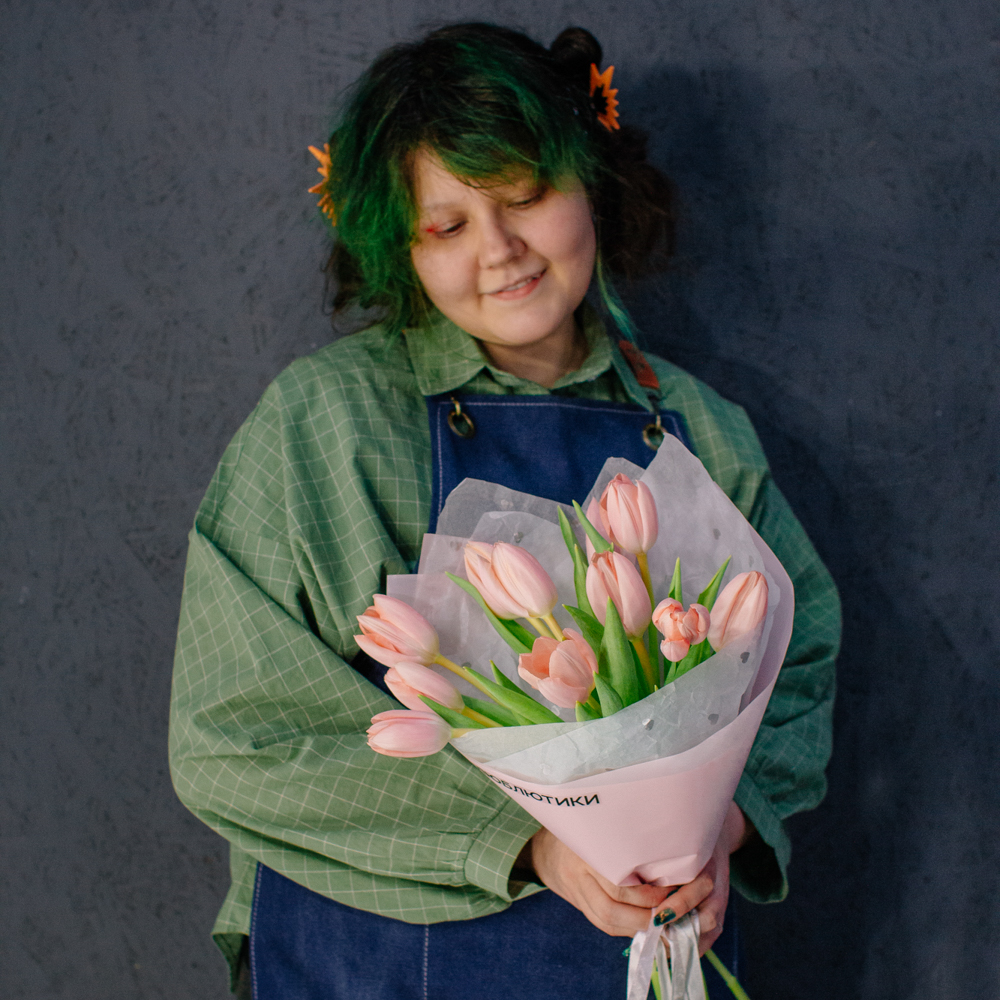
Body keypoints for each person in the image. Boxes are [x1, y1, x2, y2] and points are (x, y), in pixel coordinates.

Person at [168, 22, 840, 1000]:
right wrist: (528, 842)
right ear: (399, 250)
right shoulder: (326, 425)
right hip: (369, 963)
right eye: (447, 227)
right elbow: (237, 733)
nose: (502, 251)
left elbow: (799, 667)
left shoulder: (701, 431)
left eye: (525, 197)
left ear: (590, 183)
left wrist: (718, 828)